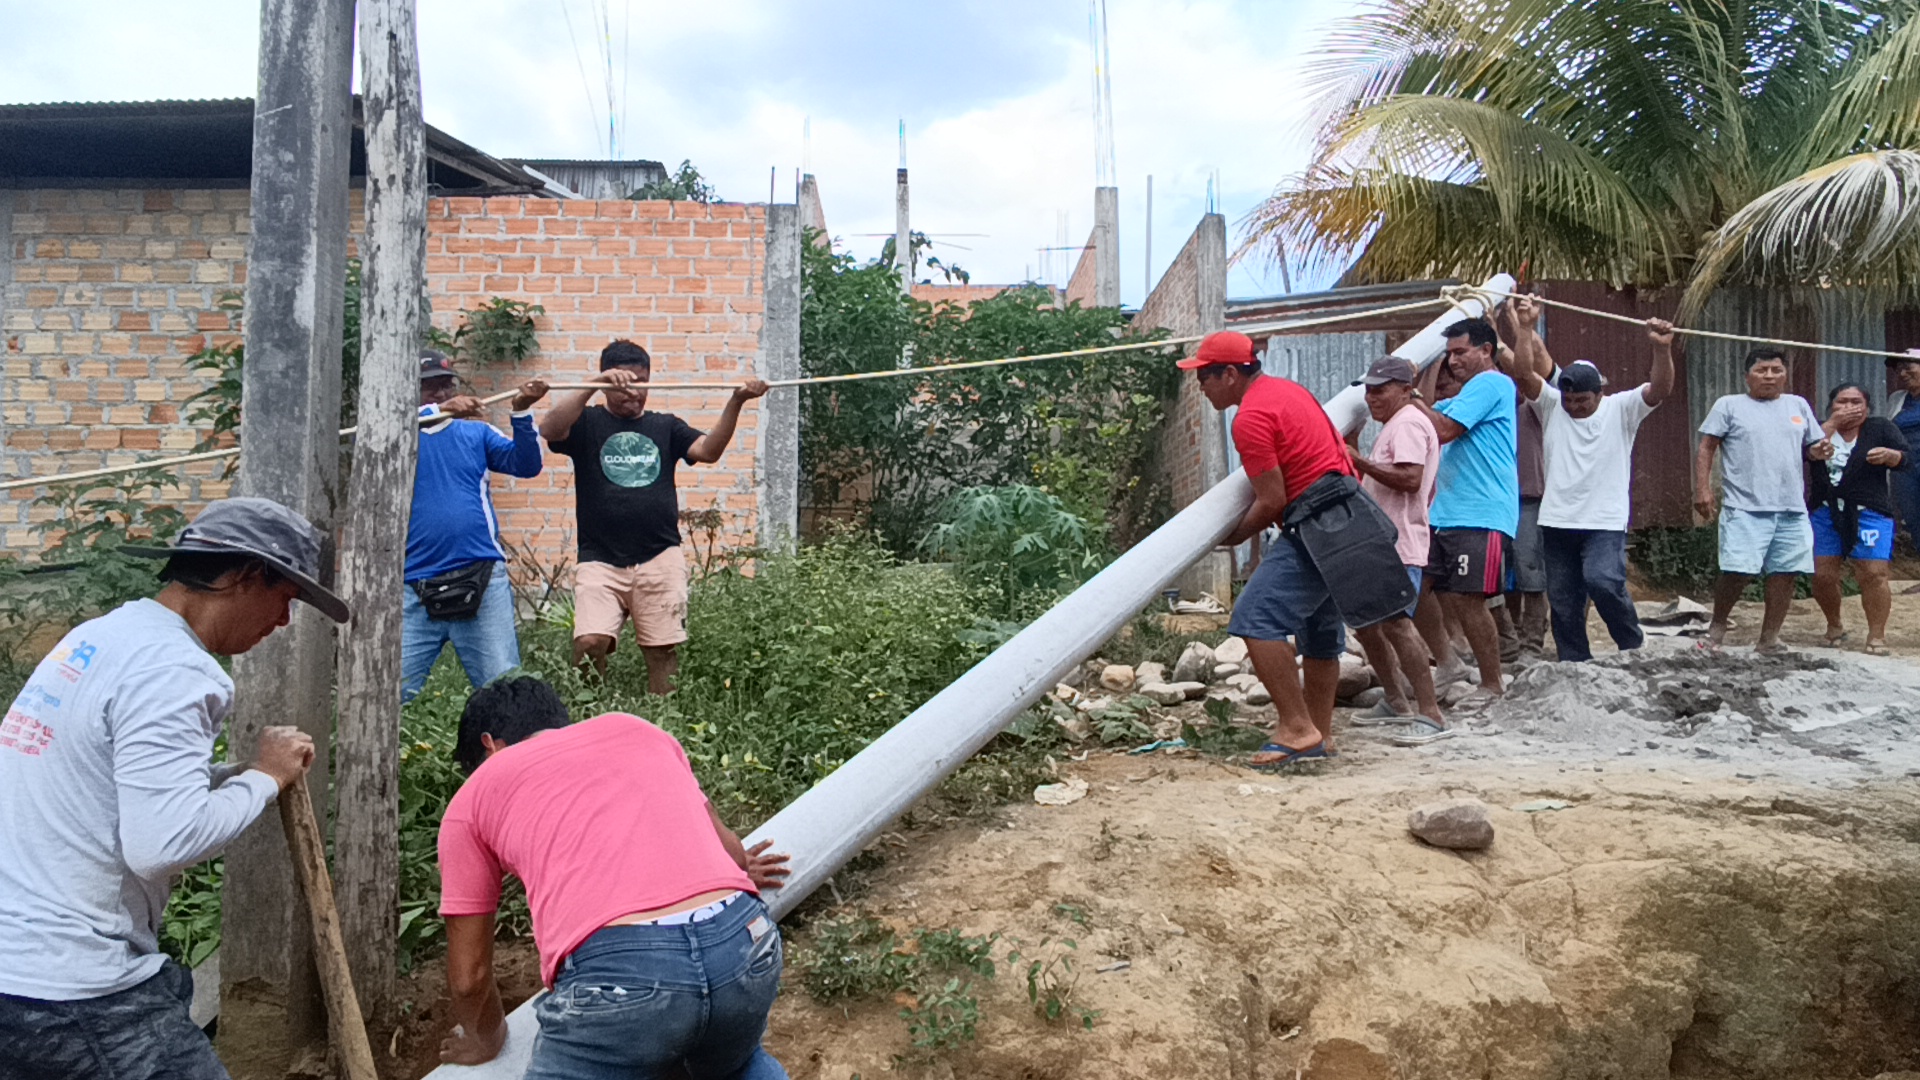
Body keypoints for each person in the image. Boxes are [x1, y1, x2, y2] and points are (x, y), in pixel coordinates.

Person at [0, 497, 343, 1080]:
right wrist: (264, 777)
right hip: (77, 990)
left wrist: (236, 777)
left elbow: (120, 787)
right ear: (243, 575)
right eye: (284, 598)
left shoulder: (100, 640)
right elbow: (164, 841)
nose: (284, 622)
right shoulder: (175, 670)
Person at [435, 676, 792, 1077]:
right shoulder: (635, 729)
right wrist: (738, 871)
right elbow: (731, 852)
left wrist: (487, 1040)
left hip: (620, 979)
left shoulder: (475, 795)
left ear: (490, 745)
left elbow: (470, 978)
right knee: (734, 1066)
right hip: (745, 944)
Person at [1182, 331, 1432, 766]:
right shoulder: (1288, 392)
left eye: (1204, 377)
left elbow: (1272, 499)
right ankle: (1320, 735)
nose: (1200, 387)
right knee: (1319, 634)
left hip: (1319, 522)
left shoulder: (1251, 417)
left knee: (1255, 618)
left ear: (1228, 374)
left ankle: (1297, 729)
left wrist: (1234, 536)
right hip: (1347, 516)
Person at [540, 340, 769, 694]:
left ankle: (665, 721)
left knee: (661, 651)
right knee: (589, 643)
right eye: (623, 385)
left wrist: (737, 400)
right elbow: (550, 430)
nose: (633, 393)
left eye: (641, 382)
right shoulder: (586, 422)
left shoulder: (665, 426)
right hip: (600, 559)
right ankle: (589, 707)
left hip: (659, 556)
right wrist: (592, 384)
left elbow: (708, 451)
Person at [1509, 298, 1675, 661]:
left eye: (1582, 400)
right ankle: (1575, 663)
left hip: (1603, 521)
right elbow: (1524, 374)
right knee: (1564, 601)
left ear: (1599, 393)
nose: (1574, 406)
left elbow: (1659, 390)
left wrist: (1661, 350)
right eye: (1569, 399)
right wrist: (1524, 329)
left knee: (1603, 581)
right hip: (1556, 521)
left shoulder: (1622, 408)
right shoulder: (1552, 406)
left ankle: (1632, 647)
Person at [403, 351, 550, 702]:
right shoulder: (397, 435)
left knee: (504, 691)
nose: (439, 394)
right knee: (392, 694)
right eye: (428, 388)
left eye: (445, 386)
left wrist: (521, 410)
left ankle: (513, 755)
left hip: (482, 576)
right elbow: (399, 423)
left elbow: (526, 465)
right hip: (412, 584)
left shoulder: (477, 432)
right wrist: (441, 411)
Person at [1694, 348, 1830, 653]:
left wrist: (1820, 452)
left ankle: (1769, 638)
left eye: (1776, 370)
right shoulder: (1729, 405)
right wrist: (1702, 488)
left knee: (1785, 572)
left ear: (1785, 375)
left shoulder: (1798, 405)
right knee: (1737, 570)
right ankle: (1717, 627)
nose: (1769, 376)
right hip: (1745, 507)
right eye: (1762, 370)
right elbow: (1706, 446)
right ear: (1747, 376)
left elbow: (1812, 448)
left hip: (1791, 507)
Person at [1412, 317, 1518, 707]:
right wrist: (1420, 371)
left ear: (1486, 350)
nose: (1453, 361)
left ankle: (1492, 683)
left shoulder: (1492, 384)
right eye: (1448, 354)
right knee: (1418, 587)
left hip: (1481, 511)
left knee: (1468, 598)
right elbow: (1421, 415)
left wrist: (1411, 394)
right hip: (1445, 513)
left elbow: (1438, 429)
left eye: (1460, 352)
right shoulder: (1460, 397)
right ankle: (1449, 664)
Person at [1343, 355, 1445, 730]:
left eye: (1380, 390)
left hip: (1399, 543)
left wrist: (1360, 461)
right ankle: (1396, 701)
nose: (1371, 398)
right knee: (1370, 626)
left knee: (1398, 625)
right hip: (1383, 542)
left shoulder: (1408, 424)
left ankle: (1431, 713)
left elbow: (1410, 478)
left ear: (1405, 390)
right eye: (1367, 390)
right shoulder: (1398, 424)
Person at [1808, 382, 1909, 654]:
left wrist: (1891, 456)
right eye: (1842, 402)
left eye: (1856, 402)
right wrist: (1830, 426)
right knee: (1822, 575)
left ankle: (1877, 635)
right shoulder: (1818, 427)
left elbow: (1907, 459)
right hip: (1825, 511)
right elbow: (1803, 451)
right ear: (1831, 406)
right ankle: (1835, 624)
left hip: (1870, 512)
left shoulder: (1880, 428)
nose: (1849, 407)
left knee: (1874, 574)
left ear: (1867, 408)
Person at [1886, 349, 1920, 558]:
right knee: (1913, 518)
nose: (1903, 373)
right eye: (1899, 369)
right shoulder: (1897, 399)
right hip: (1905, 469)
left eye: (1908, 367)